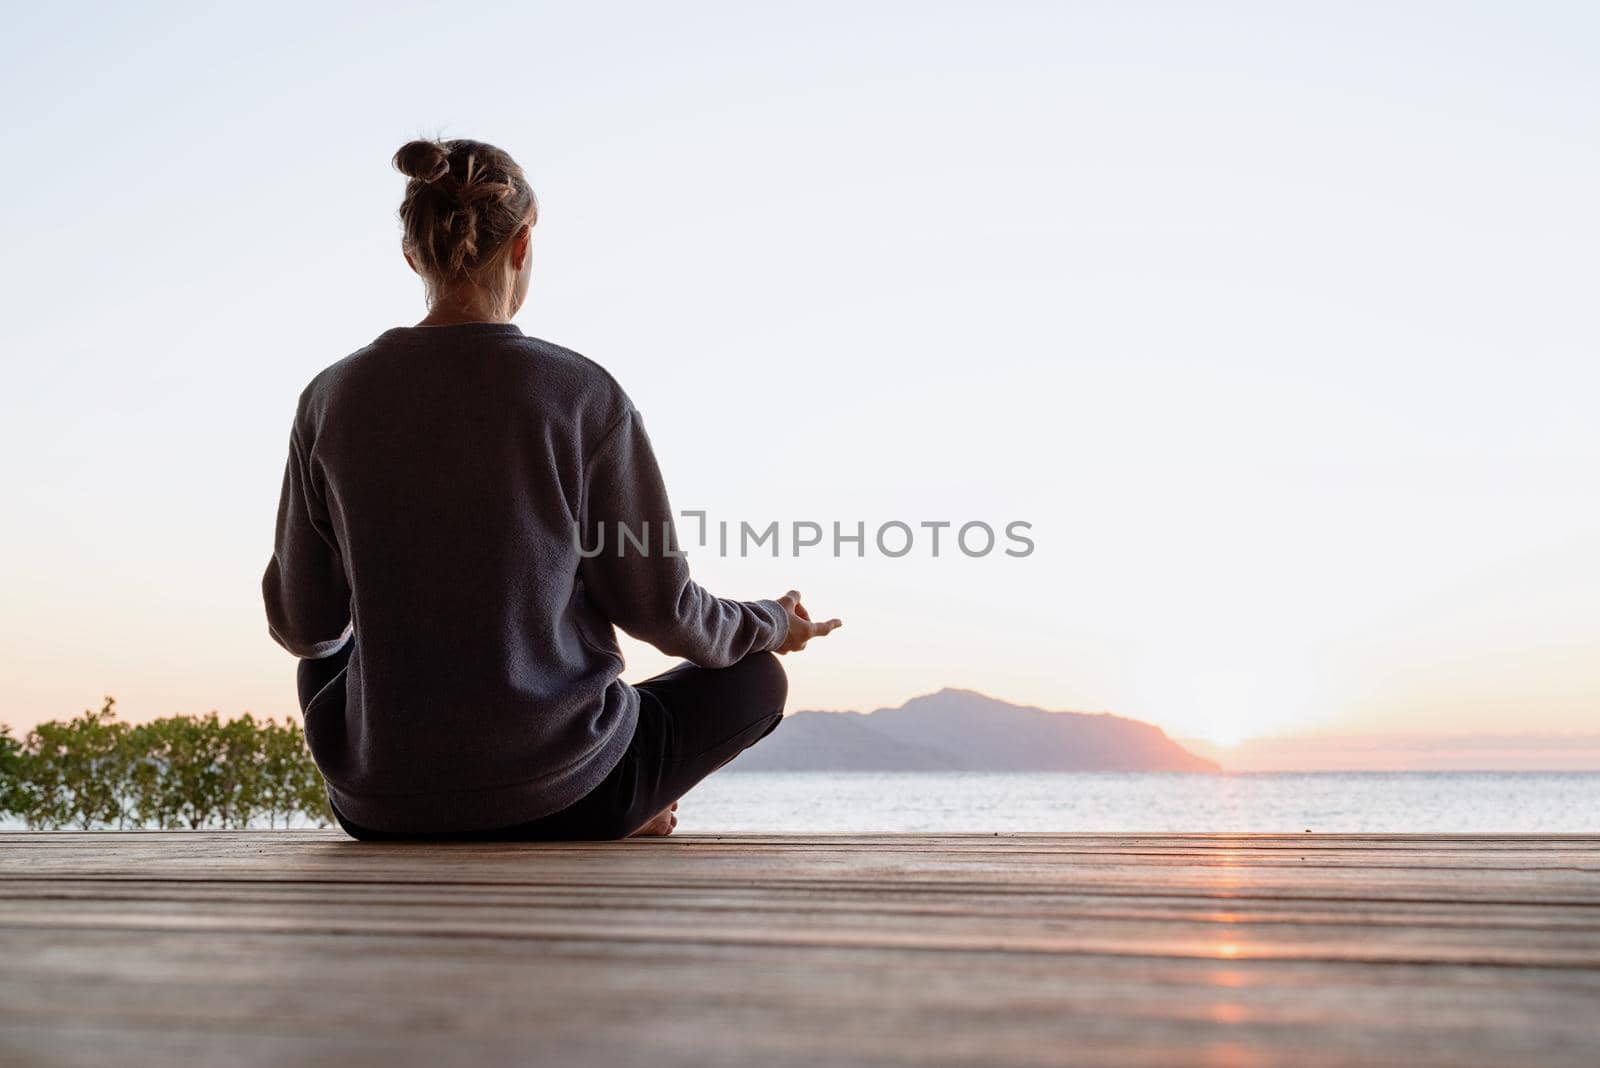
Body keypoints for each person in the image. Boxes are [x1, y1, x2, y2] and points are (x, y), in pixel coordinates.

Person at [263, 137, 841, 841]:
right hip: (566, 797)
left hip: (381, 807)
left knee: (328, 656)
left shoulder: (330, 398)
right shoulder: (583, 396)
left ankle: (593, 794)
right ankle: (630, 802)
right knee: (756, 682)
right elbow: (663, 611)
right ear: (523, 242)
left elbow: (304, 626)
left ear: (413, 256)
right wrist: (774, 624)